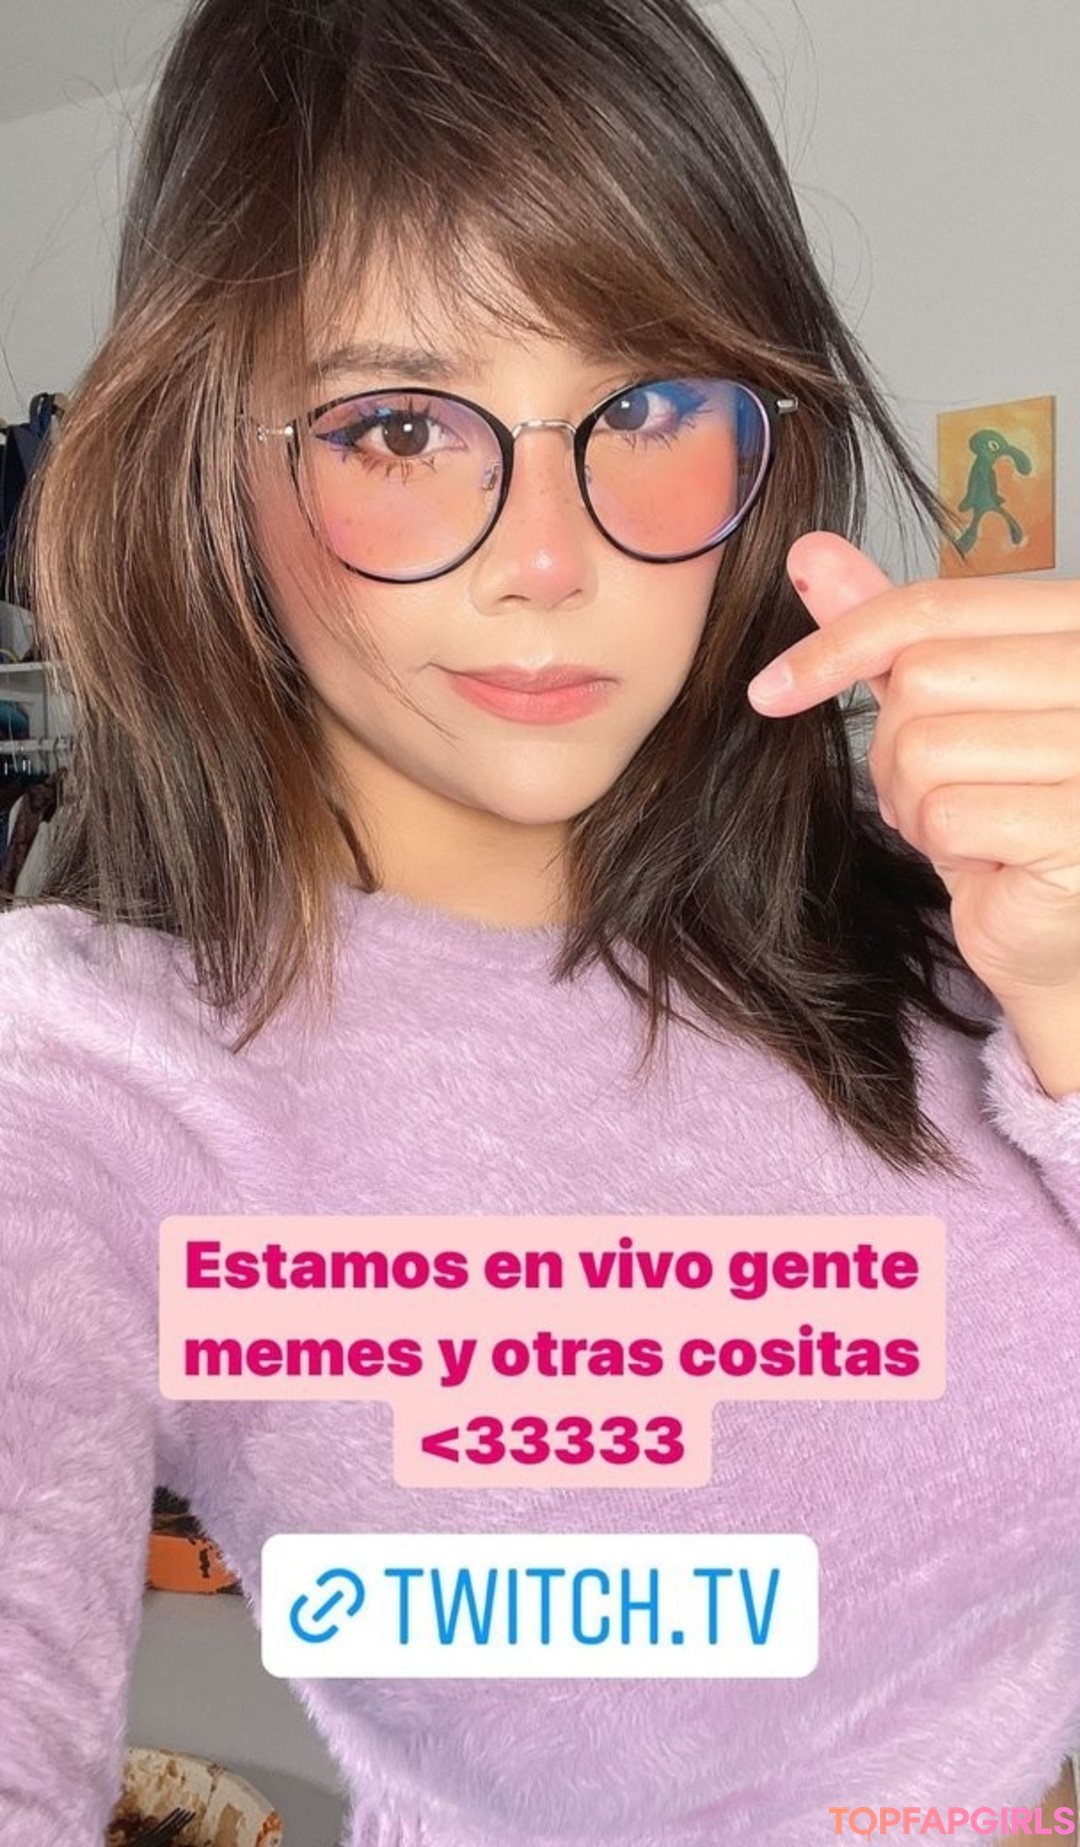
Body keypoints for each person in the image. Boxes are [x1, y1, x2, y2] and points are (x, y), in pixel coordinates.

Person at [1, 0, 1078, 1841]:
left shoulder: (951, 909)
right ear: (210, 466)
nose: (550, 560)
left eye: (643, 408)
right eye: (398, 426)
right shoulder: (95, 1085)